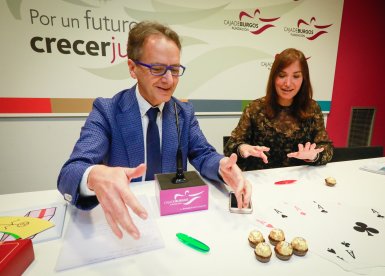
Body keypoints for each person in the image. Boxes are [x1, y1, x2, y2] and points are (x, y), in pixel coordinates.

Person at [57, 20, 251, 240]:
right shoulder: (107, 110)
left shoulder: (183, 112)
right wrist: (93, 175)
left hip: (174, 218)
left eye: (175, 70)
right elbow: (70, 173)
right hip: (124, 221)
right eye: (158, 69)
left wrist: (222, 166)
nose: (169, 80)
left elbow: (203, 154)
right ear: (132, 68)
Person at [224, 48, 333, 171]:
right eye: (282, 75)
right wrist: (242, 148)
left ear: (304, 79)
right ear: (273, 77)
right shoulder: (255, 108)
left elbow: (326, 148)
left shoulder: (312, 108)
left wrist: (315, 155)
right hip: (260, 180)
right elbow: (230, 147)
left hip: (300, 180)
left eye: (296, 76)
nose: (287, 83)